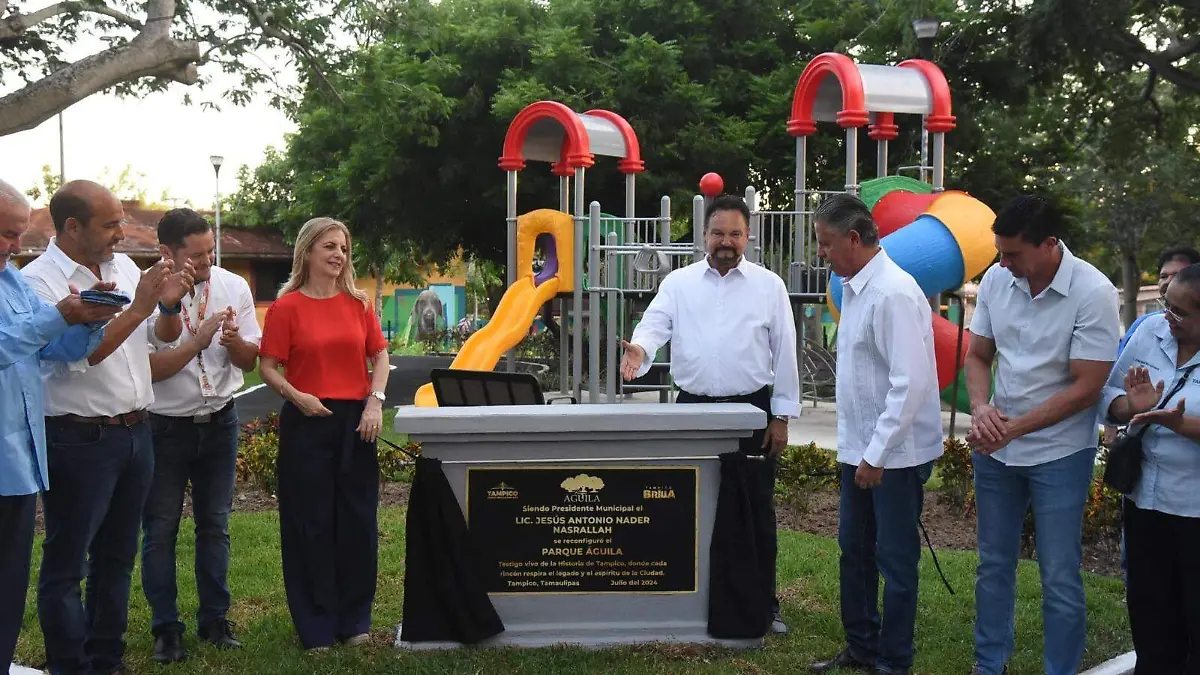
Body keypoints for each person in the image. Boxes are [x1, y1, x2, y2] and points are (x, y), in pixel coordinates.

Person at [21, 180, 194, 675]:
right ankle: (70, 665)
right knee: (67, 565)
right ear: (72, 226)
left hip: (136, 431)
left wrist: (166, 306)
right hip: (78, 437)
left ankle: (106, 660)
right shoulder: (41, 283)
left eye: (121, 220)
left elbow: (158, 338)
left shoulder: (120, 267)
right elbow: (85, 355)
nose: (122, 233)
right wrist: (140, 304)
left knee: (117, 559)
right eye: (111, 223)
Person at [619, 193, 801, 635]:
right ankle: (688, 597)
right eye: (718, 233)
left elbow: (786, 352)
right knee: (685, 506)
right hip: (693, 411)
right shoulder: (678, 284)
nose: (726, 241)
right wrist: (640, 350)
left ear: (748, 237)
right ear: (704, 235)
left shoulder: (769, 286)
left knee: (756, 508)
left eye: (735, 234)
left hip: (751, 410)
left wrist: (781, 416)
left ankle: (764, 603)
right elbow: (654, 326)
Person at [964, 195, 1120, 675]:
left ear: (1050, 244)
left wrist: (1013, 429)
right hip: (997, 448)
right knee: (993, 565)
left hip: (1060, 453)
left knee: (1058, 574)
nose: (1003, 263)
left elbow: (1087, 387)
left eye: (1012, 254)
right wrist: (980, 408)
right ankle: (988, 665)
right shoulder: (997, 279)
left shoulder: (1093, 292)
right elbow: (977, 356)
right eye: (1000, 253)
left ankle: (1061, 669)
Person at [806, 194, 944, 675]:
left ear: (853, 238)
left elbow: (910, 384)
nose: (821, 253)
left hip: (895, 456)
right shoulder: (857, 289)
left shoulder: (893, 293)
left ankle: (893, 660)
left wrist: (877, 454)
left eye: (826, 243)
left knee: (895, 561)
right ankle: (862, 648)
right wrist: (860, 452)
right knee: (854, 550)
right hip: (862, 449)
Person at [0, 180, 124, 671]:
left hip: (18, 459)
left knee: (9, 585)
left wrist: (89, 318)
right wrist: (59, 317)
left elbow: (55, 350)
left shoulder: (10, 280)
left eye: (18, 235)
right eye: (7, 235)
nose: (15, 247)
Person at [257, 217, 390, 651]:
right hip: (307, 421)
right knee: (309, 524)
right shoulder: (285, 308)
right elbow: (268, 368)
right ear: (308, 252)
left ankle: (354, 621)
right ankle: (315, 626)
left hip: (357, 423)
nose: (339, 255)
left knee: (357, 524)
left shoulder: (359, 303)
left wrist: (375, 401)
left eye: (344, 248)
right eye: (329, 246)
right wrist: (297, 397)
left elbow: (381, 357)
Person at [141, 208, 261, 662]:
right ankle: (166, 629)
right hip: (164, 426)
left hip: (220, 421)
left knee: (215, 525)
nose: (207, 260)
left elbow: (250, 361)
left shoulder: (234, 286)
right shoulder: (148, 291)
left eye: (210, 250)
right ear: (166, 252)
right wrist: (174, 309)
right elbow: (155, 355)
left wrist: (235, 343)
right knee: (160, 529)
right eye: (195, 255)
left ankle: (215, 620)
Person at [1099, 263, 1200, 674]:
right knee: (1150, 611)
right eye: (1166, 305)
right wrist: (1132, 407)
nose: (1168, 318)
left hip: (1194, 509)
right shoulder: (1149, 330)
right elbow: (1110, 393)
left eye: (1180, 313)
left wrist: (1177, 423)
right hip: (1146, 500)